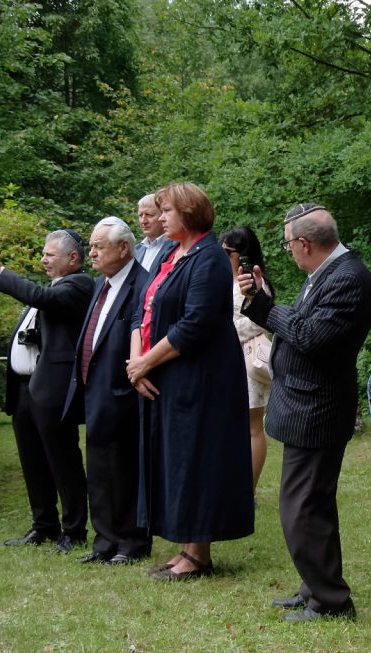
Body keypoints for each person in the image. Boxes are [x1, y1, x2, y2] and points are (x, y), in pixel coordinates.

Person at [239, 203, 371, 622]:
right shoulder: (326, 273)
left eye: (288, 245)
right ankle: (315, 585)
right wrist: (260, 301)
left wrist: (266, 308)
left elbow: (311, 337)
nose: (289, 253)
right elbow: (299, 326)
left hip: (318, 408)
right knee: (310, 505)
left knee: (302, 508)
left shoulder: (348, 278)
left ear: (303, 243)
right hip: (305, 403)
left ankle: (331, 601)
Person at [125, 182, 254, 581]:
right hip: (169, 374)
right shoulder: (169, 254)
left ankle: (198, 555)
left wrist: (145, 363)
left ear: (190, 213)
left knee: (196, 458)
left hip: (202, 378)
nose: (159, 218)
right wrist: (137, 364)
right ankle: (184, 547)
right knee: (176, 458)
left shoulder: (209, 257)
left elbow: (196, 324)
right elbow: (141, 309)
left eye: (166, 211)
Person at [0, 231, 94, 553]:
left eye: (50, 255)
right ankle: (44, 525)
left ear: (73, 258)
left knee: (63, 460)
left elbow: (41, 298)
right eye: (43, 254)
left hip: (52, 388)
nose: (43, 260)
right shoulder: (52, 288)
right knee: (33, 461)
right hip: (26, 388)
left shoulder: (79, 284)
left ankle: (74, 531)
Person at [63, 217, 151, 565]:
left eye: (99, 246)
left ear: (124, 248)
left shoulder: (142, 285)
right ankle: (104, 541)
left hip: (124, 392)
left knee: (125, 470)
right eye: (91, 246)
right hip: (93, 389)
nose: (92, 253)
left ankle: (131, 542)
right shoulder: (102, 283)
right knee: (99, 470)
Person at [221, 226, 272, 489]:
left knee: (252, 425)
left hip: (247, 357)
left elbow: (259, 321)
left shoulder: (255, 281)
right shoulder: (221, 280)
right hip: (222, 361)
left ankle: (247, 489)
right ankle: (230, 485)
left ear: (243, 254)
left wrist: (222, 329)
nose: (222, 257)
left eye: (227, 252)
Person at [134, 193, 171, 271]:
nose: (143, 221)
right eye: (140, 215)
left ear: (163, 216)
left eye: (149, 215)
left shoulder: (176, 247)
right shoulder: (135, 251)